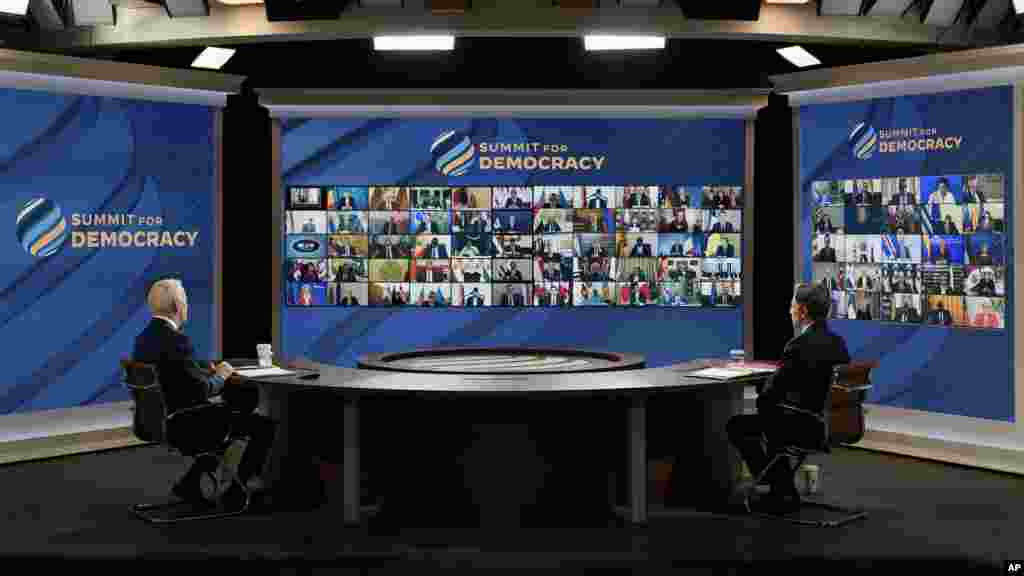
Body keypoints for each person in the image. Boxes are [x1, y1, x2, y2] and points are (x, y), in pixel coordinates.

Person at [133, 278, 275, 507]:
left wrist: (200, 370)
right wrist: (222, 375)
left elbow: (176, 376)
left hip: (156, 421)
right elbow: (200, 391)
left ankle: (189, 483)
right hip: (183, 422)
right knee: (262, 425)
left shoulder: (143, 338)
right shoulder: (178, 341)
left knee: (236, 408)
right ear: (179, 307)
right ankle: (238, 491)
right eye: (186, 302)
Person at [726, 283, 850, 513]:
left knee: (739, 425)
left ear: (802, 311)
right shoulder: (838, 343)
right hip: (828, 423)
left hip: (802, 426)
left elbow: (772, 393)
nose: (789, 309)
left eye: (792, 304)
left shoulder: (798, 345)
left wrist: (762, 389)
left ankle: (775, 483)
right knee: (776, 419)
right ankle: (781, 488)